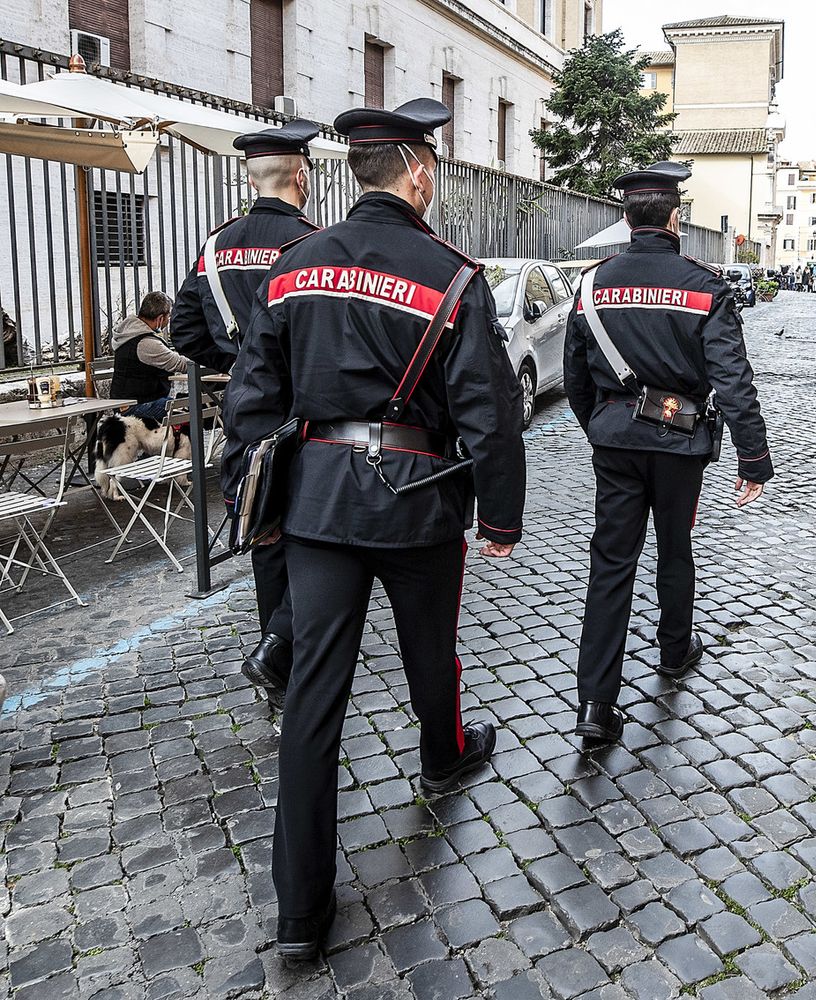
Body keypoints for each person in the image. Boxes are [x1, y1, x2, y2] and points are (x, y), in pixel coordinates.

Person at [222, 97, 526, 960]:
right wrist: (501, 514)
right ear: (418, 173)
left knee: (314, 697)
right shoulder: (450, 275)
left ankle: (299, 916)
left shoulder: (294, 265)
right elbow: (490, 410)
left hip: (318, 502)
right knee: (431, 653)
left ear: (357, 173)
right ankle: (443, 754)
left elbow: (252, 398)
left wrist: (259, 494)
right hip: (416, 499)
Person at [564, 161, 772, 749]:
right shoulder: (705, 287)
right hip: (681, 441)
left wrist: (603, 426)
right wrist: (753, 456)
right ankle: (675, 648)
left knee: (610, 563)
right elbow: (732, 379)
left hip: (615, 440)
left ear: (627, 218)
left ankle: (595, 704)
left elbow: (576, 375)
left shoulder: (593, 284)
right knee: (675, 546)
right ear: (676, 218)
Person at [170, 120, 322, 708]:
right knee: (316, 529)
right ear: (301, 176)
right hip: (305, 409)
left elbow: (185, 329)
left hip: (246, 412)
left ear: (250, 178)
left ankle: (276, 660)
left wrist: (239, 363)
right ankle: (296, 651)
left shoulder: (215, 245)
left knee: (265, 530)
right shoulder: (313, 243)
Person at [110, 292, 189, 420]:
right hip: (134, 407)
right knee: (189, 405)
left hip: (126, 404)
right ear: (160, 318)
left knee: (184, 403)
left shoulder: (129, 333)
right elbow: (180, 364)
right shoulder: (145, 343)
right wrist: (209, 361)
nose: (169, 320)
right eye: (169, 316)